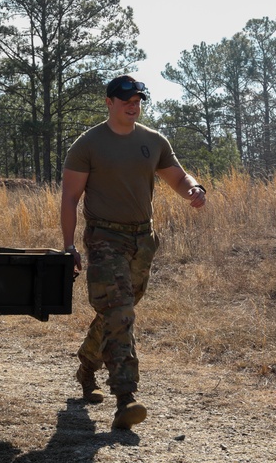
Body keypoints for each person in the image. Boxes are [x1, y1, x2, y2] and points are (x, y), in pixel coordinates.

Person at [60, 74, 207, 430]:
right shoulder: (89, 144)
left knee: (116, 312)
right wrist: (68, 246)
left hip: (143, 240)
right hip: (104, 238)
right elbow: (70, 198)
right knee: (121, 312)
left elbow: (177, 176)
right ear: (108, 102)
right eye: (126, 98)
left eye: (138, 98)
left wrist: (194, 188)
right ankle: (126, 397)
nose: (133, 104)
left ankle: (86, 363)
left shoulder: (153, 141)